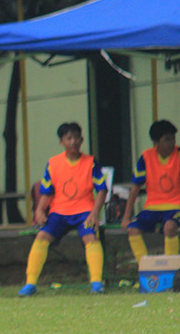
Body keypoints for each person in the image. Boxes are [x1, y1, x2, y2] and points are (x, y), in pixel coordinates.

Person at [18, 122, 108, 296]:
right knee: (41, 237)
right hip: (59, 213)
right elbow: (47, 192)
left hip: (84, 212)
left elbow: (102, 190)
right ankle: (30, 284)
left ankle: (97, 283)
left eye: (77, 138)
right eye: (69, 138)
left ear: (82, 140)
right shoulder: (53, 163)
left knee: (91, 238)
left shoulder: (90, 162)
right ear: (62, 142)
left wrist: (94, 213)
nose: (74, 141)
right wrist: (39, 210)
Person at [120, 120, 180, 263]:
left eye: (173, 138)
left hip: (176, 206)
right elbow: (135, 188)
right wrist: (126, 217)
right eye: (167, 139)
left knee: (169, 227)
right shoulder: (146, 158)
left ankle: (171, 269)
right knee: (133, 229)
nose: (172, 143)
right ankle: (144, 267)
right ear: (156, 142)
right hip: (152, 208)